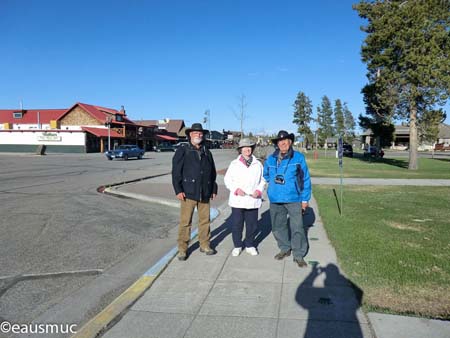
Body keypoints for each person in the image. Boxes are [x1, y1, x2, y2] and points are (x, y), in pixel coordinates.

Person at [263, 130, 312, 268]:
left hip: (294, 198)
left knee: (297, 227)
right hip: (275, 199)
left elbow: (305, 179)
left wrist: (305, 199)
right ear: (277, 144)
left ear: (290, 142)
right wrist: (273, 185)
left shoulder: (298, 158)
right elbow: (265, 174)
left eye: (285, 141)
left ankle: (298, 254)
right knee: (278, 226)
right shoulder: (271, 159)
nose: (283, 143)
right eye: (280, 141)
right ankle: (285, 248)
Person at [172, 123, 218, 261]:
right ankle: (182, 249)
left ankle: (204, 244)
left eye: (200, 133)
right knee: (186, 222)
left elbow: (212, 172)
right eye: (195, 133)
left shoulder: (206, 151)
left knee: (205, 221)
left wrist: (213, 188)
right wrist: (178, 189)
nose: (198, 135)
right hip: (188, 192)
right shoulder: (183, 150)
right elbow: (176, 172)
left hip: (205, 192)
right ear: (190, 135)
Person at [224, 138, 265, 257]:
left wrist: (259, 190)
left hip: (253, 199)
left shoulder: (258, 164)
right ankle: (237, 245)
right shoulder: (234, 164)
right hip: (238, 199)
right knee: (237, 224)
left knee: (252, 224)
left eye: (249, 147)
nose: (247, 149)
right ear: (240, 150)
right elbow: (228, 180)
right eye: (244, 147)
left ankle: (250, 245)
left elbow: (263, 179)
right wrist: (236, 189)